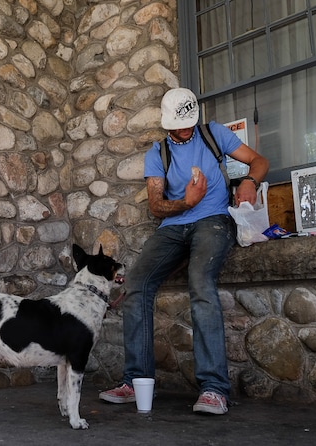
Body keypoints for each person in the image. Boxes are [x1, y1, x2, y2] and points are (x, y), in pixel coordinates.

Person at [99, 88, 269, 414]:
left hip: (214, 221)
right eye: (179, 125)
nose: (186, 129)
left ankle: (214, 388)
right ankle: (135, 381)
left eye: (189, 122)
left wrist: (249, 181)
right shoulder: (157, 154)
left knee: (200, 279)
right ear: (167, 125)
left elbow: (259, 161)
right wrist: (186, 202)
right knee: (135, 283)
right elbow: (156, 205)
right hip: (173, 227)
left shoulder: (213, 134)